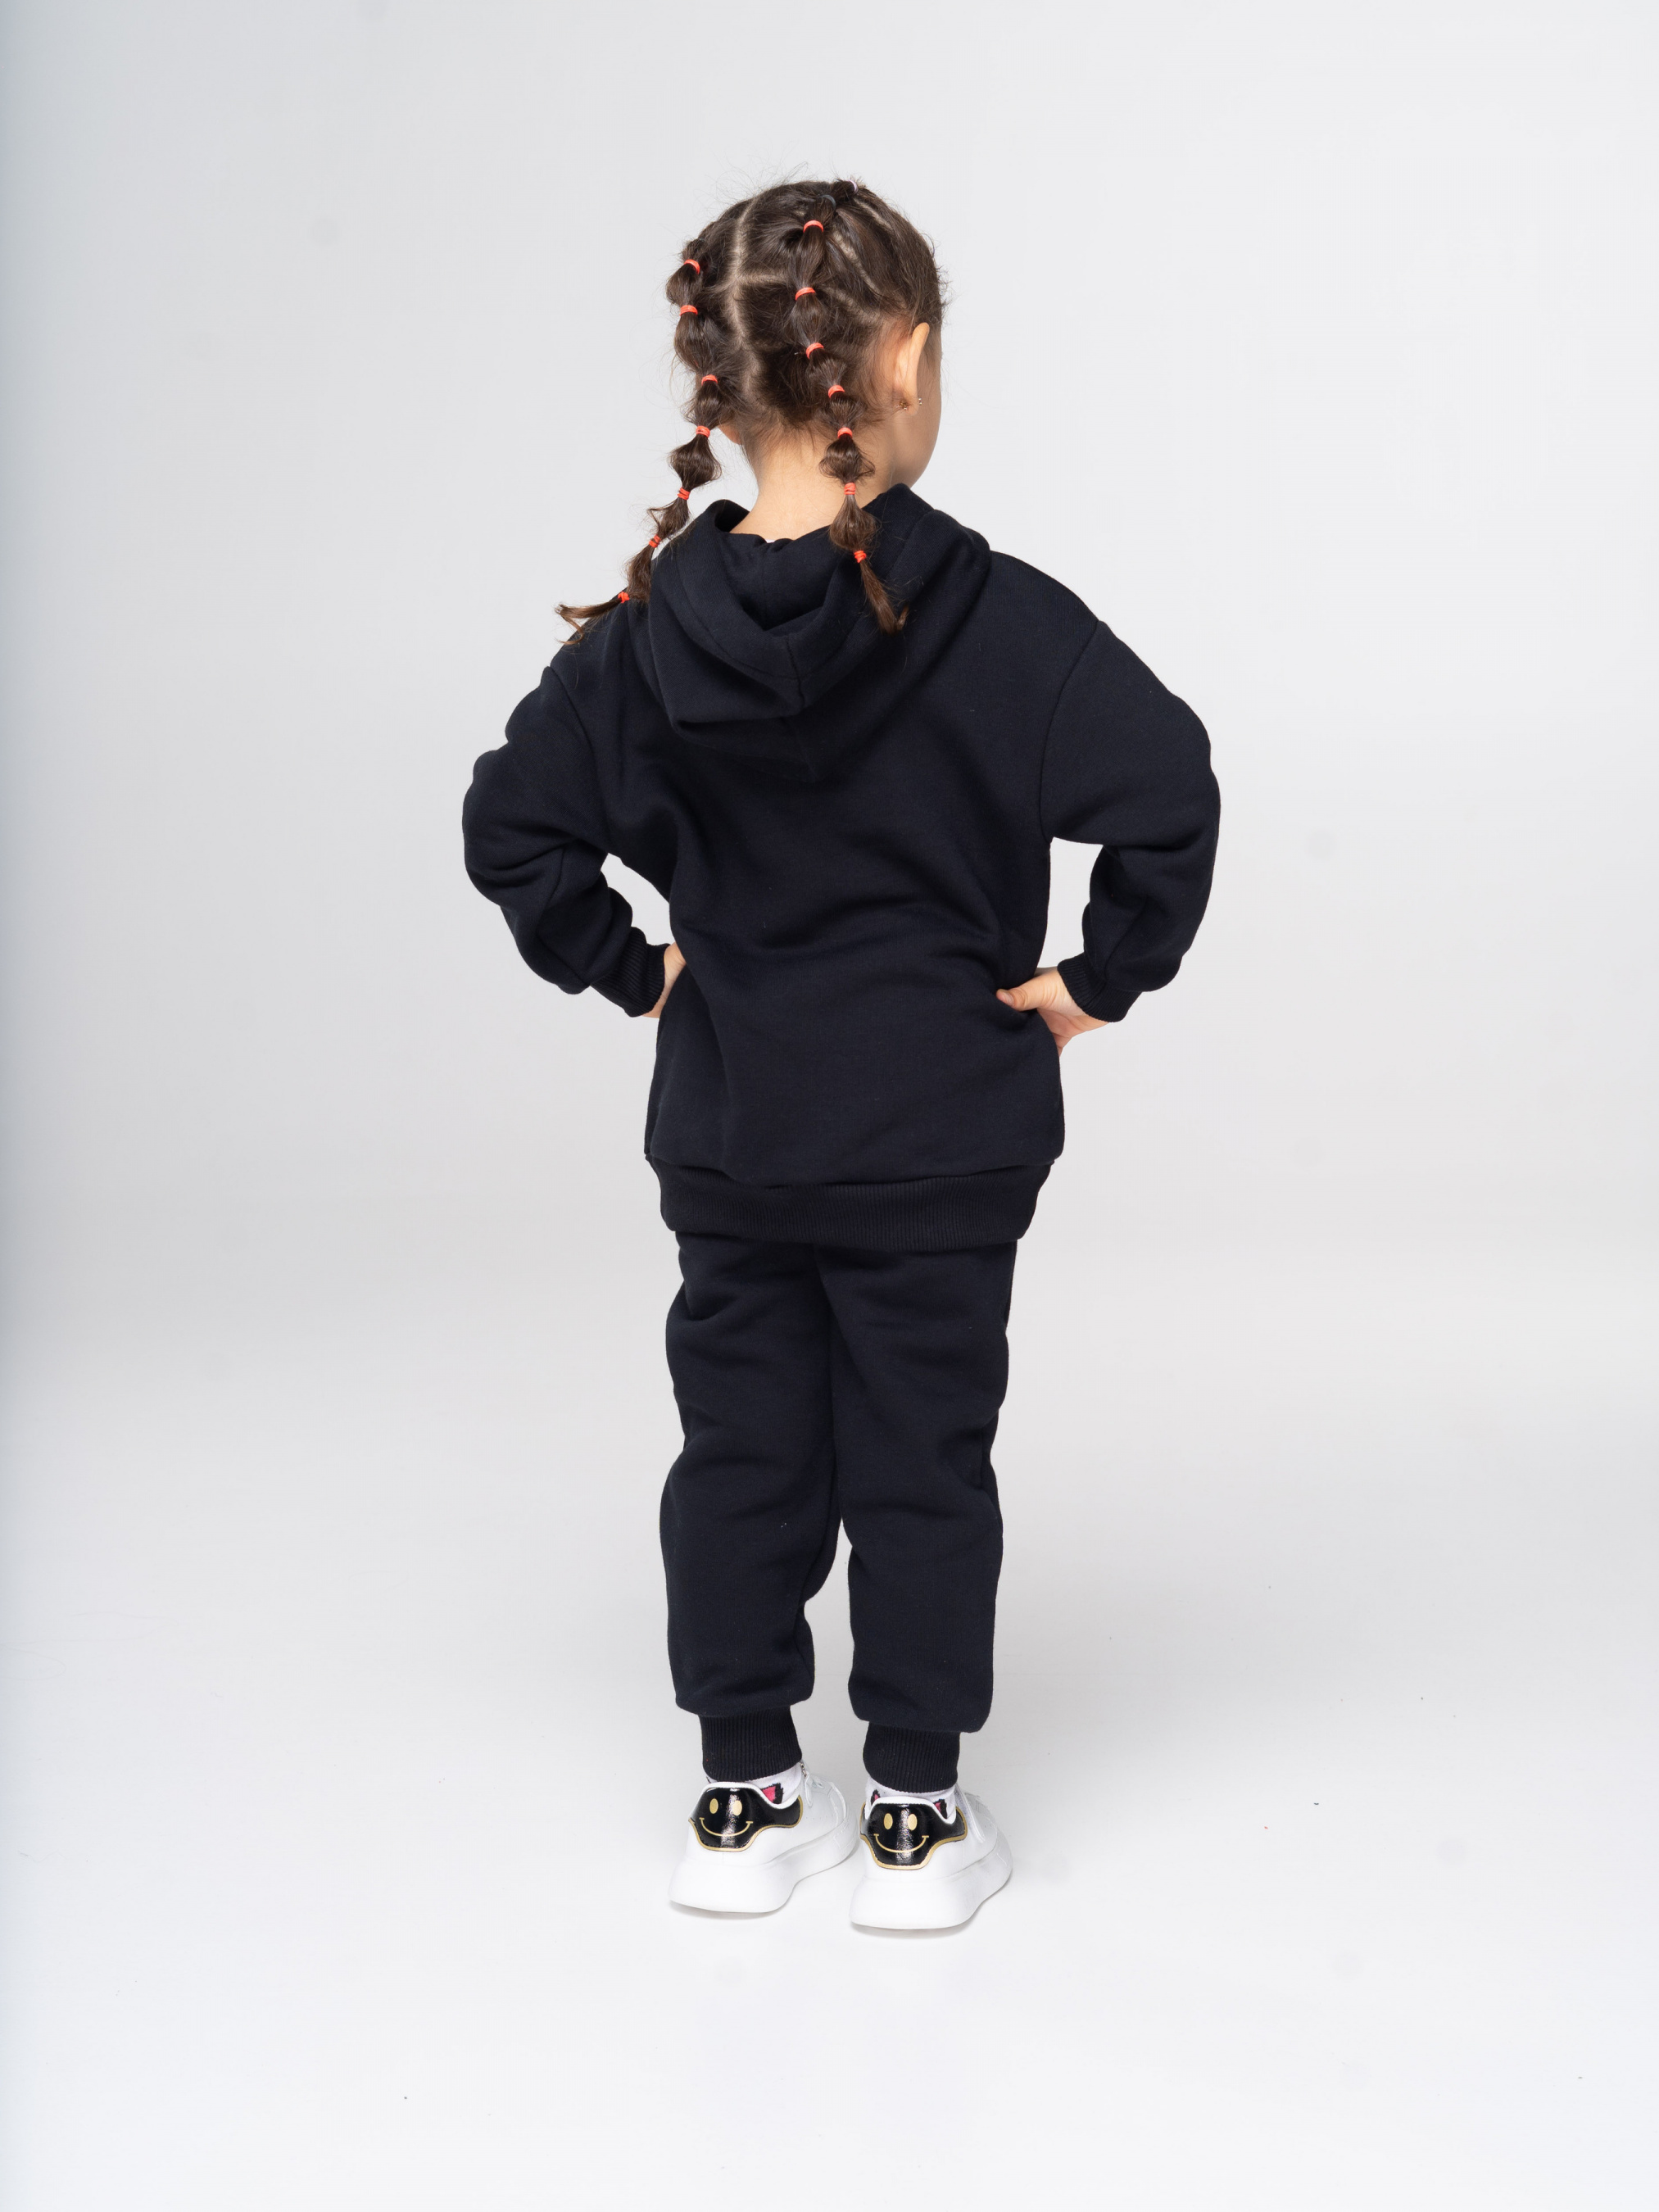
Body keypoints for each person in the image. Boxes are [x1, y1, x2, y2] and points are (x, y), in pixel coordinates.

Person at [463, 178, 1219, 1931]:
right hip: (943, 1142)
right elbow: (1168, 788)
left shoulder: (647, 639)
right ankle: (912, 1823)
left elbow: (513, 825)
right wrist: (1097, 979)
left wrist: (636, 972)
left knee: (740, 1458)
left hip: (734, 1135)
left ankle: (741, 1802)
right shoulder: (1003, 621)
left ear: (718, 384)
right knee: (919, 1466)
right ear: (906, 362)